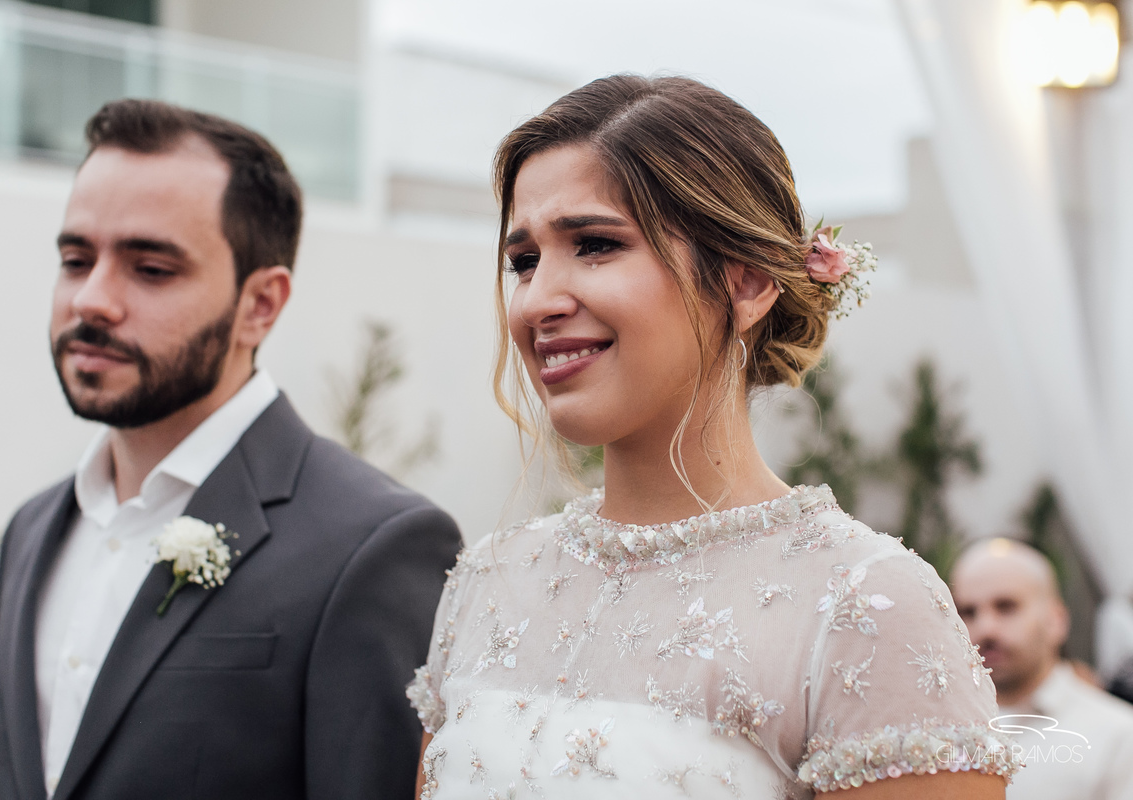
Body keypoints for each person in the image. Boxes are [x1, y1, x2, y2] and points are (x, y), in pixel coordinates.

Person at [406, 75, 1020, 799]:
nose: (538, 300)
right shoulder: (487, 582)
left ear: (749, 281)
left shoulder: (865, 605)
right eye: (524, 262)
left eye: (597, 245)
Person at [0, 99, 461, 800]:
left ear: (260, 304)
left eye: (150, 268)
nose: (92, 299)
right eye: (75, 258)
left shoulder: (374, 546)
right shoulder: (31, 531)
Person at [952, 538, 1133, 800]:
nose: (985, 628)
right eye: (967, 612)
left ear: (1056, 620)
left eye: (1006, 607)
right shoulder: (936, 729)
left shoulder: (1118, 736)